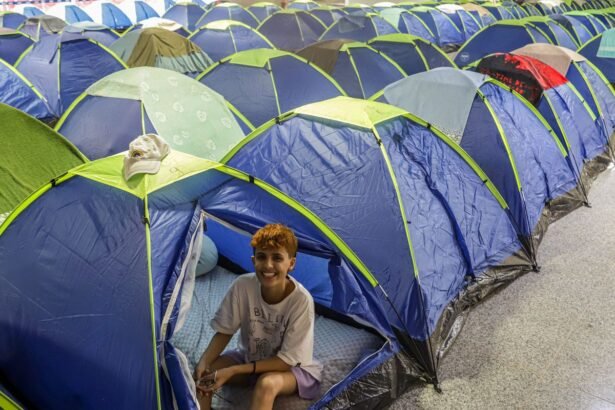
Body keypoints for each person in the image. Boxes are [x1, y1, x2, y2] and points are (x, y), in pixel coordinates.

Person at [194, 224, 322, 410]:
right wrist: (204, 362)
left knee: (266, 384)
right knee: (205, 376)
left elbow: (286, 361)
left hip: (292, 368)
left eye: (277, 258)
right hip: (251, 357)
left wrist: (234, 370)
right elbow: (225, 331)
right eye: (262, 257)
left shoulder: (301, 301)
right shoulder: (243, 285)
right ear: (254, 261)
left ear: (291, 263)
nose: (268, 265)